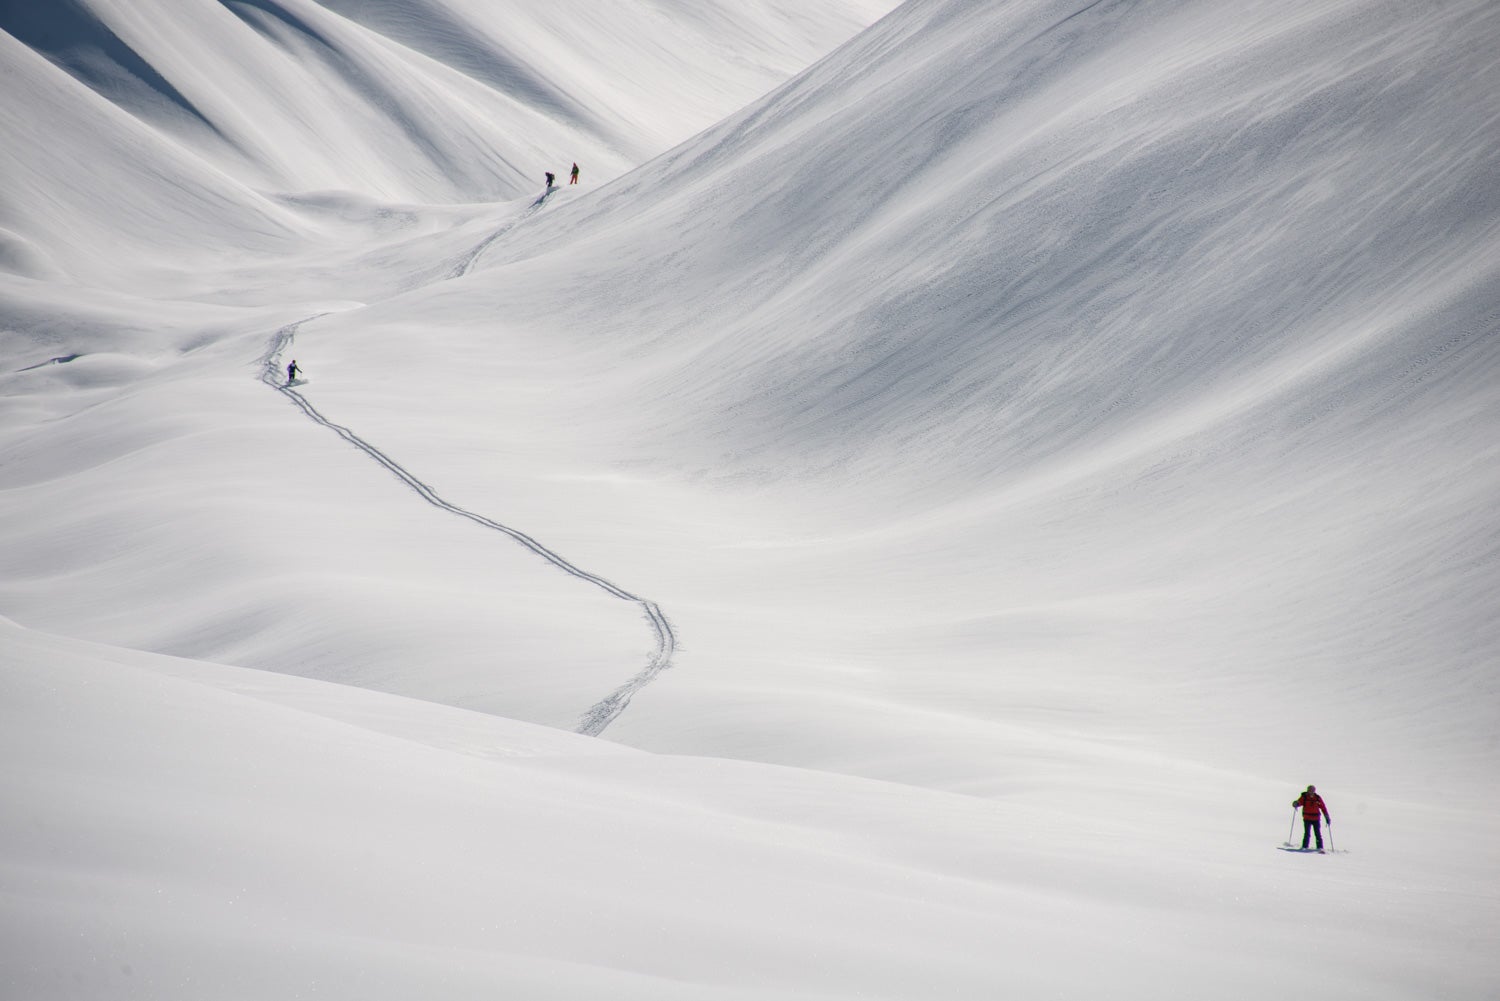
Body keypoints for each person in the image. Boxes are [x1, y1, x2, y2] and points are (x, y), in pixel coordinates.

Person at [1293, 784, 1331, 851]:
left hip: (1316, 818)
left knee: (1317, 833)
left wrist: (1326, 816)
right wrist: (1295, 803)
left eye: (1312, 790)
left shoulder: (1317, 798)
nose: (1310, 791)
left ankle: (1320, 847)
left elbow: (1323, 807)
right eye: (1309, 790)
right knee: (1307, 833)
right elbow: (1299, 802)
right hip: (1307, 818)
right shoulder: (1304, 797)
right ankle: (1305, 846)